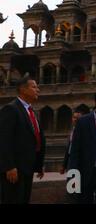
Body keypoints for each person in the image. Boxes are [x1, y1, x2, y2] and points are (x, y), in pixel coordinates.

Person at [0, 75, 45, 204]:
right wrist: (9, 166)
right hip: (15, 169)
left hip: (27, 167)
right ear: (23, 89)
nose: (38, 90)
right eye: (34, 87)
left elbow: (35, 138)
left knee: (24, 199)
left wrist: (39, 163)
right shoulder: (11, 109)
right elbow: (4, 139)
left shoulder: (31, 111)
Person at [60, 109, 83, 175]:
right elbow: (68, 149)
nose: (75, 120)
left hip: (80, 161)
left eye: (78, 118)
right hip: (71, 160)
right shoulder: (72, 131)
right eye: (74, 117)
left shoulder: (85, 132)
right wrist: (64, 165)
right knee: (71, 183)